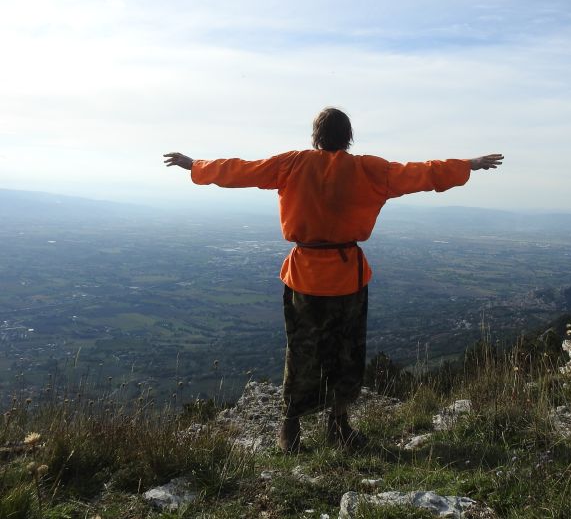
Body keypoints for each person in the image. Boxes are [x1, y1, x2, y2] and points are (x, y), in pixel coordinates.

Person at [164, 107, 503, 453]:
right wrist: (469, 164)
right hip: (347, 278)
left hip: (305, 276)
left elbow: (240, 170)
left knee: (301, 351)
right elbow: (422, 173)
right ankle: (338, 425)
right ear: (348, 138)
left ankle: (290, 429)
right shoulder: (368, 170)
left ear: (316, 138)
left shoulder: (293, 164)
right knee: (347, 351)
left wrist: (195, 166)